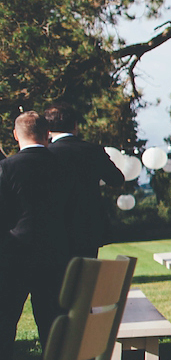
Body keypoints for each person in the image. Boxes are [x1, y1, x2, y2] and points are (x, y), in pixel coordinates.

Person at [0, 112, 70, 360]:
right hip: (56, 252)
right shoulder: (63, 165)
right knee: (51, 317)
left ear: (16, 135)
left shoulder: (7, 167)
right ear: (46, 134)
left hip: (14, 254)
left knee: (5, 319)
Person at [43, 102, 125, 259]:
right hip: (89, 226)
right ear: (75, 126)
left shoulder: (45, 154)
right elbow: (116, 179)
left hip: (56, 226)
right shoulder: (93, 150)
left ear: (48, 129)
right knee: (86, 277)